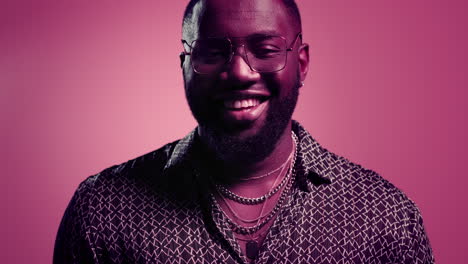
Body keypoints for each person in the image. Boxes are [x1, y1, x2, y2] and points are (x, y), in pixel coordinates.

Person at [54, 0, 435, 263]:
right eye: (213, 52)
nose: (239, 72)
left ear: (300, 63)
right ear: (184, 64)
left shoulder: (386, 219)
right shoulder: (103, 212)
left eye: (265, 49)